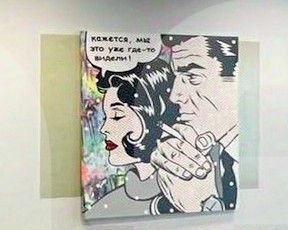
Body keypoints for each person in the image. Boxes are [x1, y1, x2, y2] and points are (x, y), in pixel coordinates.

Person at [149, 34, 239, 212]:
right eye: (177, 77)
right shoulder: (208, 152)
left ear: (236, 78)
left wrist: (201, 204)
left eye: (193, 77)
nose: (175, 96)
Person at [83, 58, 180, 219]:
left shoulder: (190, 195)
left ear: (154, 117)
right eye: (106, 117)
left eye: (117, 116)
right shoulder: (105, 208)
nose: (104, 129)